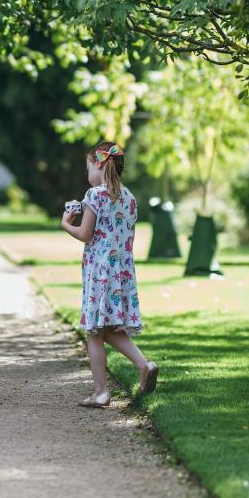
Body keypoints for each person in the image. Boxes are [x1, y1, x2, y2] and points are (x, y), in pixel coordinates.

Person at [60, 141, 158, 407]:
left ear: (99, 164)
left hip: (101, 273)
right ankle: (143, 364)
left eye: (88, 167)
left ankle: (101, 392)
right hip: (122, 273)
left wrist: (66, 224)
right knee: (109, 329)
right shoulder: (129, 197)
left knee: (94, 333)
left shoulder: (94, 195)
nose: (87, 174)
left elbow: (85, 234)